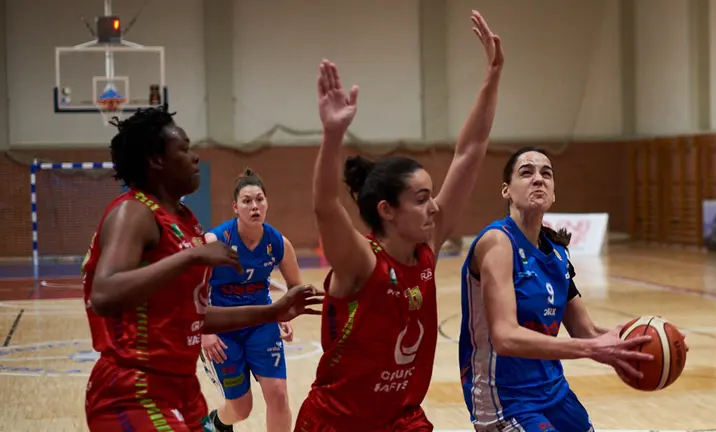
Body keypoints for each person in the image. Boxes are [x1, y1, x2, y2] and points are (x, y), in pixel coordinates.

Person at [294, 10, 504, 432]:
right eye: (421, 198)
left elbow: (471, 150)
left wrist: (494, 73)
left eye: (432, 197)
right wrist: (332, 134)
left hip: (400, 421)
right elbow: (325, 207)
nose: (433, 208)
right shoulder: (361, 263)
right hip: (338, 423)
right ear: (387, 210)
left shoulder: (425, 248)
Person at [81, 105, 324, 432]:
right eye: (183, 149)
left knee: (271, 396)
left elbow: (188, 313)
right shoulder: (134, 212)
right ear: (156, 161)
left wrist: (272, 312)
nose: (195, 157)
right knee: (242, 405)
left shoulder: (183, 221)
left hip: (180, 385)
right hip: (134, 387)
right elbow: (105, 293)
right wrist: (193, 257)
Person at [457, 146, 657, 432]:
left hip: (554, 392)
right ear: (506, 191)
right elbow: (505, 337)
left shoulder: (559, 254)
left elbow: (585, 331)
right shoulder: (497, 242)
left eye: (546, 174)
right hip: (505, 398)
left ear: (553, 194)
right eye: (526, 173)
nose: (538, 179)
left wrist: (640, 342)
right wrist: (591, 349)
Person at [201, 168, 299, 432]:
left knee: (278, 394)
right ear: (235, 207)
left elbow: (295, 288)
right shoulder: (215, 241)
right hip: (222, 329)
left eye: (259, 199)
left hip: (260, 324)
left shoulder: (279, 243)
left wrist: (284, 312)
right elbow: (188, 290)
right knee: (241, 408)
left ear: (267, 203)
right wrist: (204, 332)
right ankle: (216, 423)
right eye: (247, 201)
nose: (254, 206)